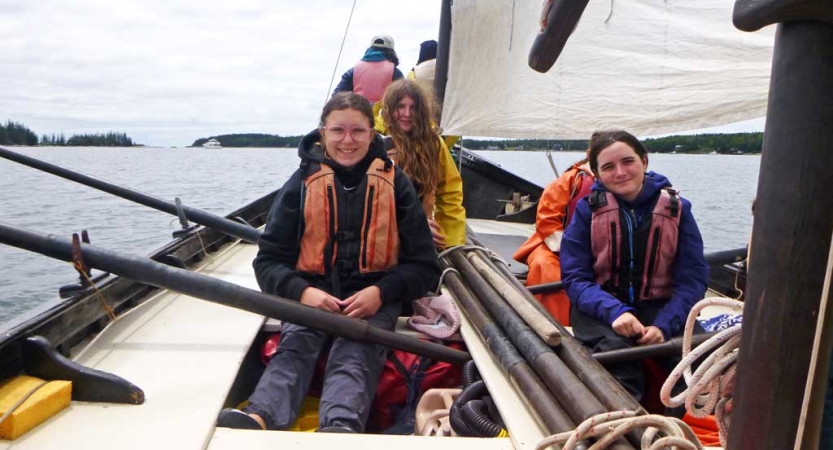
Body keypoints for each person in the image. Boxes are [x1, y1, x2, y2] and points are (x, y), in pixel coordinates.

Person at [217, 92, 441, 433]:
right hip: (312, 297)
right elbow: (268, 262)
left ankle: (339, 429)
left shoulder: (397, 184)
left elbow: (425, 267)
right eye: (337, 131)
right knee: (295, 347)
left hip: (371, 302)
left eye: (358, 131)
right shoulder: (301, 185)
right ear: (323, 133)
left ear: (372, 134)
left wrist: (380, 293)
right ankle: (259, 416)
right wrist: (303, 292)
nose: (347, 141)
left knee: (356, 354)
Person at [560, 130, 709, 401]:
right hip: (600, 310)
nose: (620, 172)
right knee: (619, 363)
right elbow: (575, 279)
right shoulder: (586, 211)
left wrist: (665, 325)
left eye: (628, 161)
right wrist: (616, 312)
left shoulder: (679, 210)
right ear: (596, 173)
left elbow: (693, 281)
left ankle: (684, 437)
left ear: (644, 161)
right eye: (608, 167)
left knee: (697, 366)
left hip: (662, 308)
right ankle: (628, 431)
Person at [512, 137, 597, 326]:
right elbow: (547, 219)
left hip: (601, 252)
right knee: (547, 270)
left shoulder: (622, 184)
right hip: (556, 247)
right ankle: (553, 325)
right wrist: (569, 251)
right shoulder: (569, 181)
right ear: (591, 154)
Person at [376, 79, 466, 249]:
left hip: (419, 238)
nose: (407, 113)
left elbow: (450, 193)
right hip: (380, 237)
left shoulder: (433, 145)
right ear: (388, 108)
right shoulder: (373, 141)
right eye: (400, 106)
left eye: (413, 107)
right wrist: (415, 227)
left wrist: (450, 242)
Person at [333, 35, 405, 104]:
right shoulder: (395, 72)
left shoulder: (354, 70)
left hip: (360, 112)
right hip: (383, 114)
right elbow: (404, 96)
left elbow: (336, 96)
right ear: (391, 52)